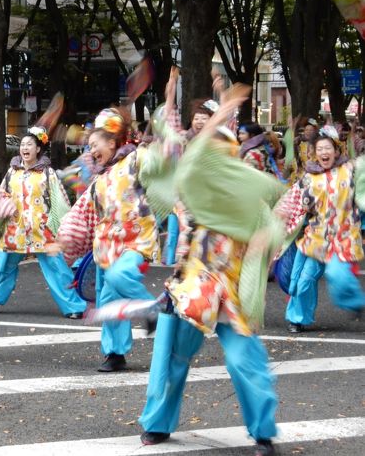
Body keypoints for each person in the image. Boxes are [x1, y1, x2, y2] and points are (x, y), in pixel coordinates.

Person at [138, 85, 280, 456]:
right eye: (210, 146)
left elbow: (275, 214)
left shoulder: (247, 189)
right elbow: (179, 152)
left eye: (222, 147)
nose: (212, 151)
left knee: (244, 360)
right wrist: (203, 111)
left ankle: (263, 433)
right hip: (192, 287)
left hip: (231, 290)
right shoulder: (193, 184)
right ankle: (157, 423)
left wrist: (267, 238)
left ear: (232, 155)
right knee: (171, 357)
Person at [58, 101, 181, 372]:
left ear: (113, 142)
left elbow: (162, 158)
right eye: (89, 147)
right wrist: (67, 235)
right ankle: (115, 353)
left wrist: (165, 121)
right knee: (110, 304)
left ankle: (150, 310)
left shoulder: (136, 160)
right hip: (105, 249)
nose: (91, 151)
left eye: (95, 145)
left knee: (119, 277)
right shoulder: (99, 179)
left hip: (135, 242)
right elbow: (83, 212)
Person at [0, 126, 86, 318]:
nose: (25, 148)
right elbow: (0, 197)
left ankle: (73, 307)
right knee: (2, 266)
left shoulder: (48, 174)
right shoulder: (12, 173)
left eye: (29, 144)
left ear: (38, 149)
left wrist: (64, 227)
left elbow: (60, 201)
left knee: (57, 269)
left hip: (42, 230)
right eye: (22, 144)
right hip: (15, 229)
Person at [276, 128, 365, 333]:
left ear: (336, 150)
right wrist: (280, 216)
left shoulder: (351, 170)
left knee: (337, 274)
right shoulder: (308, 178)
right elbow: (292, 201)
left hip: (344, 238)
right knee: (304, 280)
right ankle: (297, 319)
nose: (324, 152)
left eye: (328, 148)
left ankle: (354, 303)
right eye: (320, 149)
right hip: (316, 239)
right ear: (315, 153)